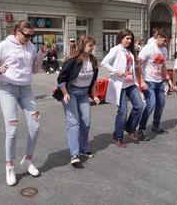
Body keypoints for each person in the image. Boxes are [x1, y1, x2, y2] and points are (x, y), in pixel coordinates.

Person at [0, 20, 46, 186]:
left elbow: (34, 69)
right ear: (16, 31)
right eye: (27, 35)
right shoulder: (4, 45)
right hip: (8, 89)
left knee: (36, 126)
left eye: (32, 35)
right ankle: (9, 166)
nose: (30, 38)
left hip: (26, 90)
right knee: (12, 129)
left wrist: (40, 56)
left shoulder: (31, 46)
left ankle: (29, 159)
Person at [57, 34, 99, 168]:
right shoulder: (72, 60)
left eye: (93, 45)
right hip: (70, 93)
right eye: (90, 45)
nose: (92, 48)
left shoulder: (93, 61)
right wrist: (65, 93)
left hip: (83, 94)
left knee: (86, 122)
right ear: (82, 45)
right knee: (74, 123)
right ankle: (74, 154)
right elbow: (61, 79)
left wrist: (94, 94)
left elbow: (93, 80)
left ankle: (83, 148)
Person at [101, 29, 144, 148]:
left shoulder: (130, 51)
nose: (129, 41)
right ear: (121, 38)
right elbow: (104, 63)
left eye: (131, 39)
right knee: (122, 112)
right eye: (127, 38)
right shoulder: (116, 50)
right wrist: (116, 71)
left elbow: (130, 65)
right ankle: (118, 137)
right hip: (120, 85)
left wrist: (137, 61)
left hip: (130, 83)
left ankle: (129, 127)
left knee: (139, 106)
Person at [137, 29, 174, 141]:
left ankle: (156, 125)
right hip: (149, 80)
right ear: (158, 37)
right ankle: (141, 129)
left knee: (161, 103)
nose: (165, 43)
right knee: (151, 104)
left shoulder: (164, 50)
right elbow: (138, 65)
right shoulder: (148, 48)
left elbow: (162, 65)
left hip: (159, 81)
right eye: (164, 40)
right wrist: (142, 81)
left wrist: (168, 80)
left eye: (167, 41)